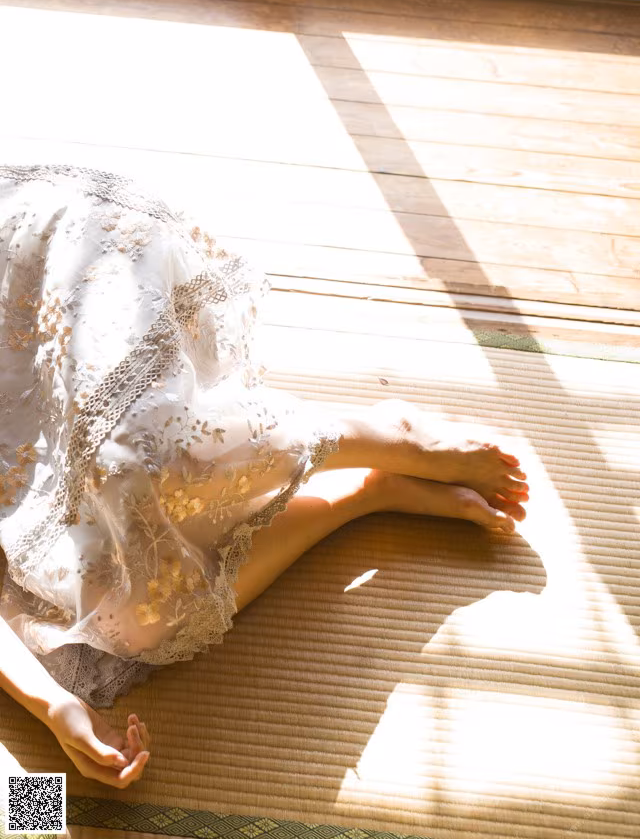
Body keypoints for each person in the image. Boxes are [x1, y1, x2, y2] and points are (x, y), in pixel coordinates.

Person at [0, 164, 528, 789]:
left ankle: (374, 435)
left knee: (134, 459)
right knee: (130, 624)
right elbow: (33, 810)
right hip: (29, 467)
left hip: (41, 264)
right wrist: (57, 712)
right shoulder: (26, 805)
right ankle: (357, 496)